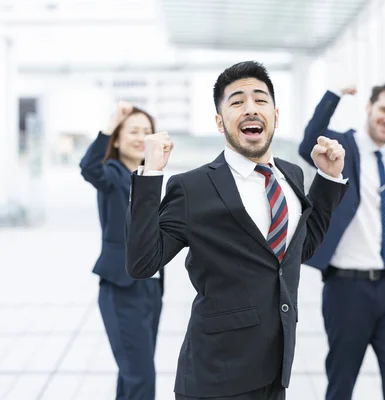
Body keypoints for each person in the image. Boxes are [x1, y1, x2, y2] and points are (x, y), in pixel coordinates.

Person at [124, 61, 349, 400]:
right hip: (215, 378)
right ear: (219, 122)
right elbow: (142, 263)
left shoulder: (292, 176)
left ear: (275, 114)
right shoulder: (192, 187)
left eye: (260, 100)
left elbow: (298, 250)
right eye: (236, 102)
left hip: (275, 371)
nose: (250, 109)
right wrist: (151, 174)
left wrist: (329, 179)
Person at [298, 84, 385, 400]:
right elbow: (309, 141)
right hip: (348, 287)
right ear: (370, 107)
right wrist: (333, 94)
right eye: (384, 110)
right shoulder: (343, 148)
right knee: (341, 379)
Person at [79, 101, 163, 400]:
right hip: (122, 287)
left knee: (132, 376)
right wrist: (112, 120)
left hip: (151, 288)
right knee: (141, 378)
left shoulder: (151, 175)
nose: (141, 137)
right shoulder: (111, 173)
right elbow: (88, 167)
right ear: (116, 138)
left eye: (147, 131)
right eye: (133, 131)